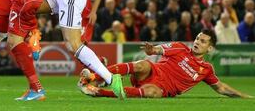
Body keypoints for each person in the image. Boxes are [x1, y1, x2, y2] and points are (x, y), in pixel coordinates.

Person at [78, 29, 252, 99]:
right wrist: (151, 50)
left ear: (210, 48)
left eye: (203, 41)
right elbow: (156, 50)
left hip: (162, 88)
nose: (198, 42)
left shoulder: (206, 70)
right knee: (143, 64)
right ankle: (94, 75)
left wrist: (245, 97)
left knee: (153, 92)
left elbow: (221, 88)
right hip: (151, 73)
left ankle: (97, 91)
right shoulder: (180, 47)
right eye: (198, 38)